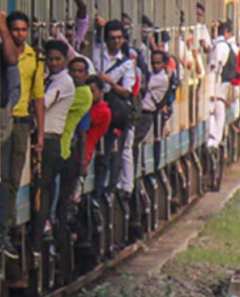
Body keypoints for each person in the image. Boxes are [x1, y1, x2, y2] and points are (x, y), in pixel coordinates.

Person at [0, 11, 45, 254]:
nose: (20, 34)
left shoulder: (35, 57)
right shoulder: (3, 53)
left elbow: (38, 96)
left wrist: (40, 133)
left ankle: (8, 225)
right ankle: (1, 229)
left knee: (13, 177)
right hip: (2, 119)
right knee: (1, 176)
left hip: (22, 121)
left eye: (24, 30)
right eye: (15, 30)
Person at [33, 39, 75, 253]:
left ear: (65, 60)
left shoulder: (64, 82)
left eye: (57, 59)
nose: (53, 63)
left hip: (51, 140)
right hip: (45, 138)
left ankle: (43, 227)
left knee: (44, 187)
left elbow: (43, 102)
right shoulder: (49, 78)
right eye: (49, 59)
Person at [54, 56, 93, 283]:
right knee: (64, 204)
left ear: (86, 74)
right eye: (73, 70)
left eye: (81, 71)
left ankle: (66, 250)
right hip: (66, 152)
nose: (76, 74)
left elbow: (83, 132)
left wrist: (83, 161)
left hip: (68, 153)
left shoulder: (81, 95)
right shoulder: (72, 90)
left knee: (64, 205)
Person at [91, 19, 136, 199]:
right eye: (112, 38)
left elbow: (126, 92)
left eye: (119, 38)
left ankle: (105, 189)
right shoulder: (97, 53)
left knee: (109, 150)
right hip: (91, 107)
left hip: (111, 112)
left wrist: (108, 82)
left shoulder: (126, 64)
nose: (115, 42)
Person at [0, 9, 20, 258]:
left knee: (2, 175)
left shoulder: (0, 48)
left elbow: (11, 58)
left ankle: (0, 231)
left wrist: (3, 29)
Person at [134, 50, 170, 174]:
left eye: (158, 63)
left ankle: (135, 170)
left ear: (165, 64)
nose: (155, 66)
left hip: (146, 114)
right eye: (153, 63)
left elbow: (144, 84)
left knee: (135, 142)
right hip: (140, 113)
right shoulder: (153, 75)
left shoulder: (162, 78)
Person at [208, 21, 233, 152]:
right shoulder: (223, 45)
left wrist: (213, 90)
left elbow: (216, 67)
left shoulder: (220, 46)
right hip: (219, 84)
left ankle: (213, 142)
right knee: (218, 112)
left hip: (216, 84)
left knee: (214, 110)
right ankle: (214, 141)